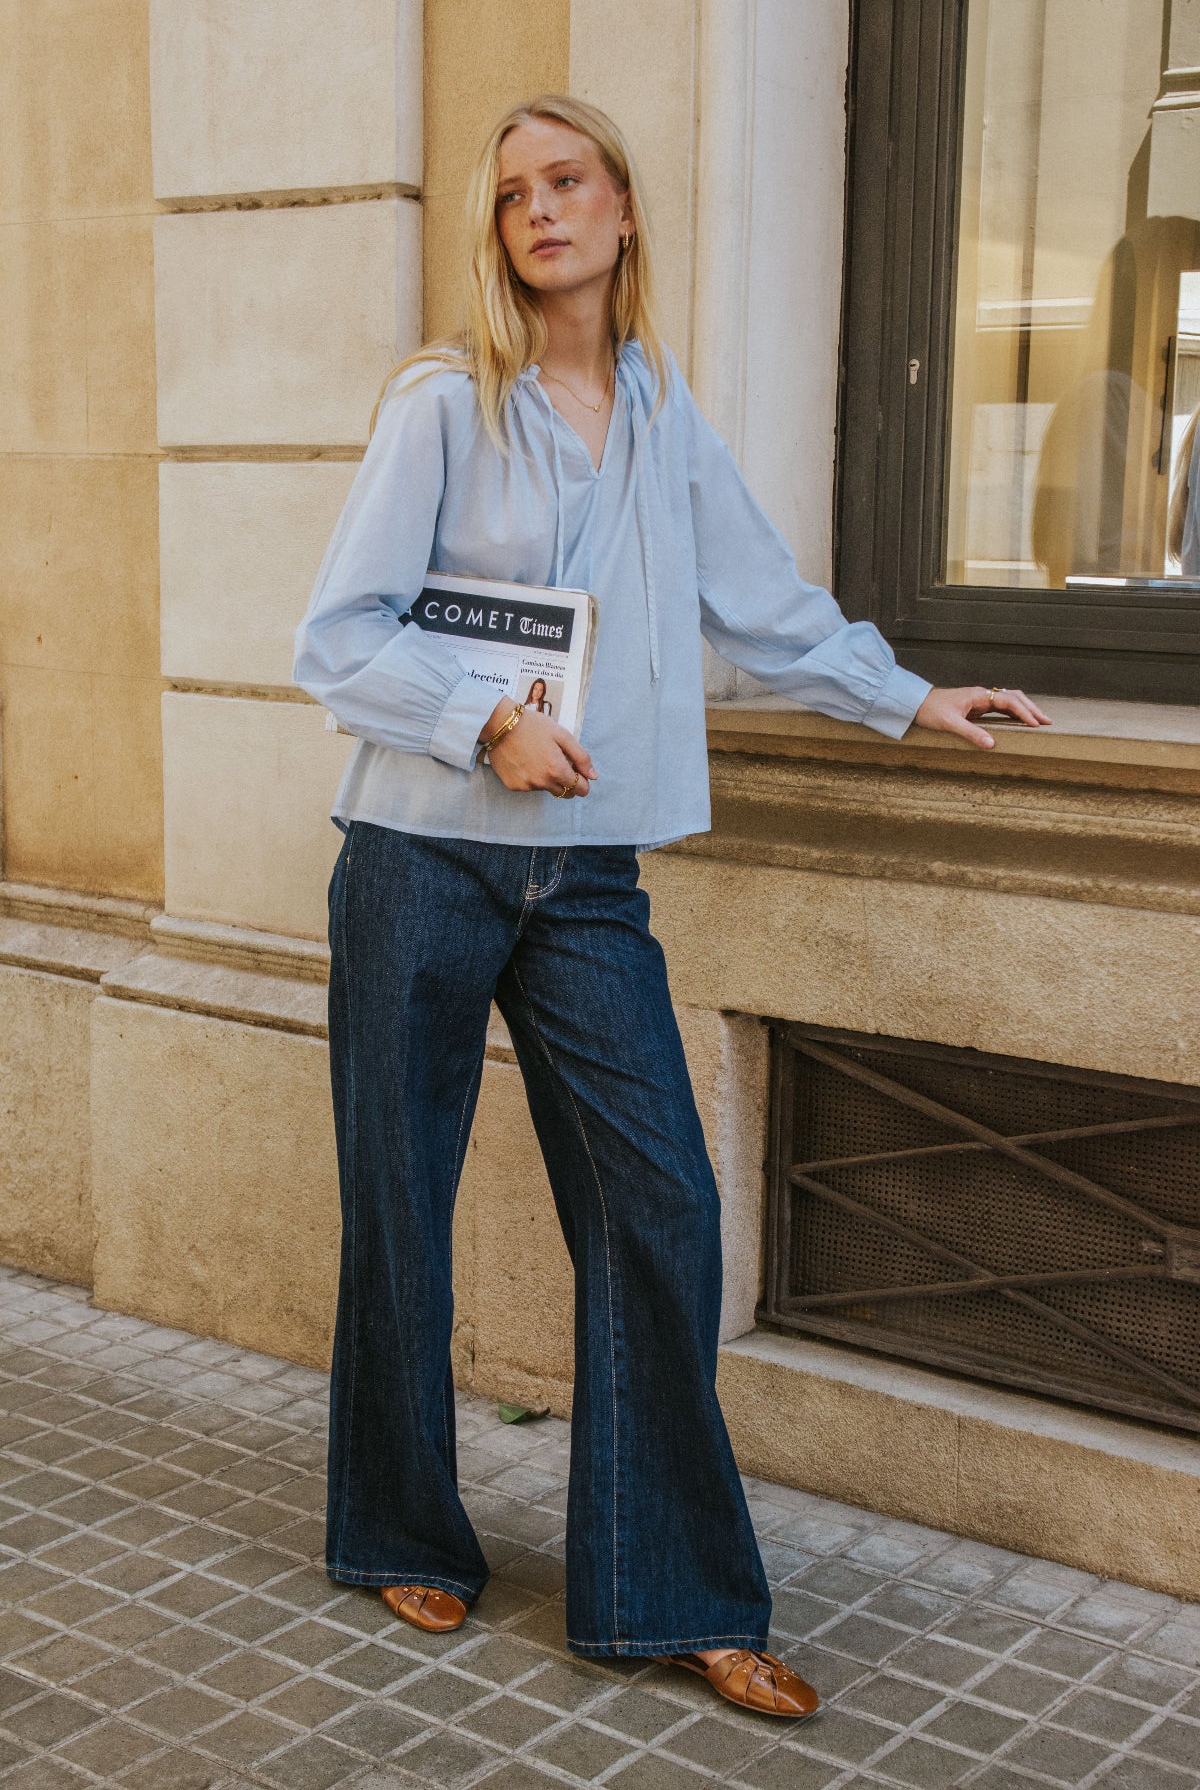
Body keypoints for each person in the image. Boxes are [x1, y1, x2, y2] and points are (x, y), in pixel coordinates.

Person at [293, 93, 1050, 1721]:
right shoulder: (443, 402)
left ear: (625, 210)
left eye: (568, 184)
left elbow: (762, 602)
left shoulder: (653, 404)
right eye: (513, 197)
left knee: (663, 1206)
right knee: (398, 1198)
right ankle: (396, 1525)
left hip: (588, 876)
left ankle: (670, 1589)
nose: (540, 213)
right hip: (420, 852)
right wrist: (486, 722)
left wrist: (910, 697)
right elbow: (337, 635)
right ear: (498, 236)